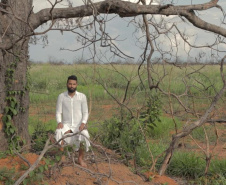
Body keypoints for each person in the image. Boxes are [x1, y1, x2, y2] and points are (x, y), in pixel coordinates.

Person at [55, 75, 90, 167]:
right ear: (67, 84)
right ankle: (62, 158)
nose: (72, 86)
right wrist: (59, 122)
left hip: (79, 125)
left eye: (74, 84)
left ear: (76, 85)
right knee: (58, 132)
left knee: (85, 135)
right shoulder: (61, 96)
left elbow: (85, 112)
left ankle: (80, 159)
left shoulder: (82, 97)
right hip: (66, 124)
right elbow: (58, 112)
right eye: (70, 84)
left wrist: (83, 123)